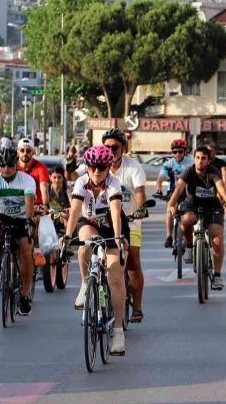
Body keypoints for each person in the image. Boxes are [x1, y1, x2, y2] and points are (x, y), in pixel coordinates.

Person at [62, 145, 129, 355]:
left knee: (116, 278)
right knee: (85, 244)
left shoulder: (114, 183)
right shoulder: (81, 182)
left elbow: (116, 213)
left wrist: (118, 238)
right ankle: (85, 285)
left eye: (101, 167)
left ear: (108, 166)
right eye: (92, 167)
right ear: (87, 167)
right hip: (89, 222)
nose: (97, 171)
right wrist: (66, 235)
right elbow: (74, 211)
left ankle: (118, 331)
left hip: (111, 225)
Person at [166, 146, 226, 290]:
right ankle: (190, 246)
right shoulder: (189, 171)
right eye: (197, 158)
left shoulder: (213, 172)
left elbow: (221, 188)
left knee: (217, 238)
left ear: (208, 160)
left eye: (203, 158)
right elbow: (178, 189)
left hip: (212, 206)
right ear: (194, 159)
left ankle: (217, 276)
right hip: (193, 204)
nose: (200, 161)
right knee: (186, 220)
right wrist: (171, 204)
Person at [100, 129, 148, 323]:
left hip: (130, 219)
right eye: (107, 147)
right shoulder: (97, 165)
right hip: (103, 220)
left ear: (123, 148)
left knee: (133, 260)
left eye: (115, 147)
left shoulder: (133, 167)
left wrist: (141, 208)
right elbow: (76, 177)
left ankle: (137, 307)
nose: (111, 151)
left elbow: (140, 191)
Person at [0, 148, 37, 316]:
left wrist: (28, 219)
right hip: (2, 215)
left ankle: (25, 296)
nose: (6, 169)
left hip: (21, 218)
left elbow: (29, 203)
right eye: (2, 165)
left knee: (26, 252)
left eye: (10, 165)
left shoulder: (26, 180)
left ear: (16, 165)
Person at [16, 138, 51, 268]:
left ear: (33, 152)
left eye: (28, 150)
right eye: (22, 150)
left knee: (36, 222)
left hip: (36, 204)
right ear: (18, 152)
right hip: (17, 205)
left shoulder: (40, 167)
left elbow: (44, 188)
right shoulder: (13, 166)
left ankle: (36, 250)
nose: (25, 153)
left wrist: (45, 205)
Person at [154, 139, 194, 250]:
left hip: (188, 192)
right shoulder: (168, 164)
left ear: (185, 151)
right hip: (173, 192)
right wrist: (158, 187)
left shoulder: (191, 162)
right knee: (170, 209)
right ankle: (169, 237)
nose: (177, 154)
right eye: (175, 152)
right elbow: (161, 177)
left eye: (180, 152)